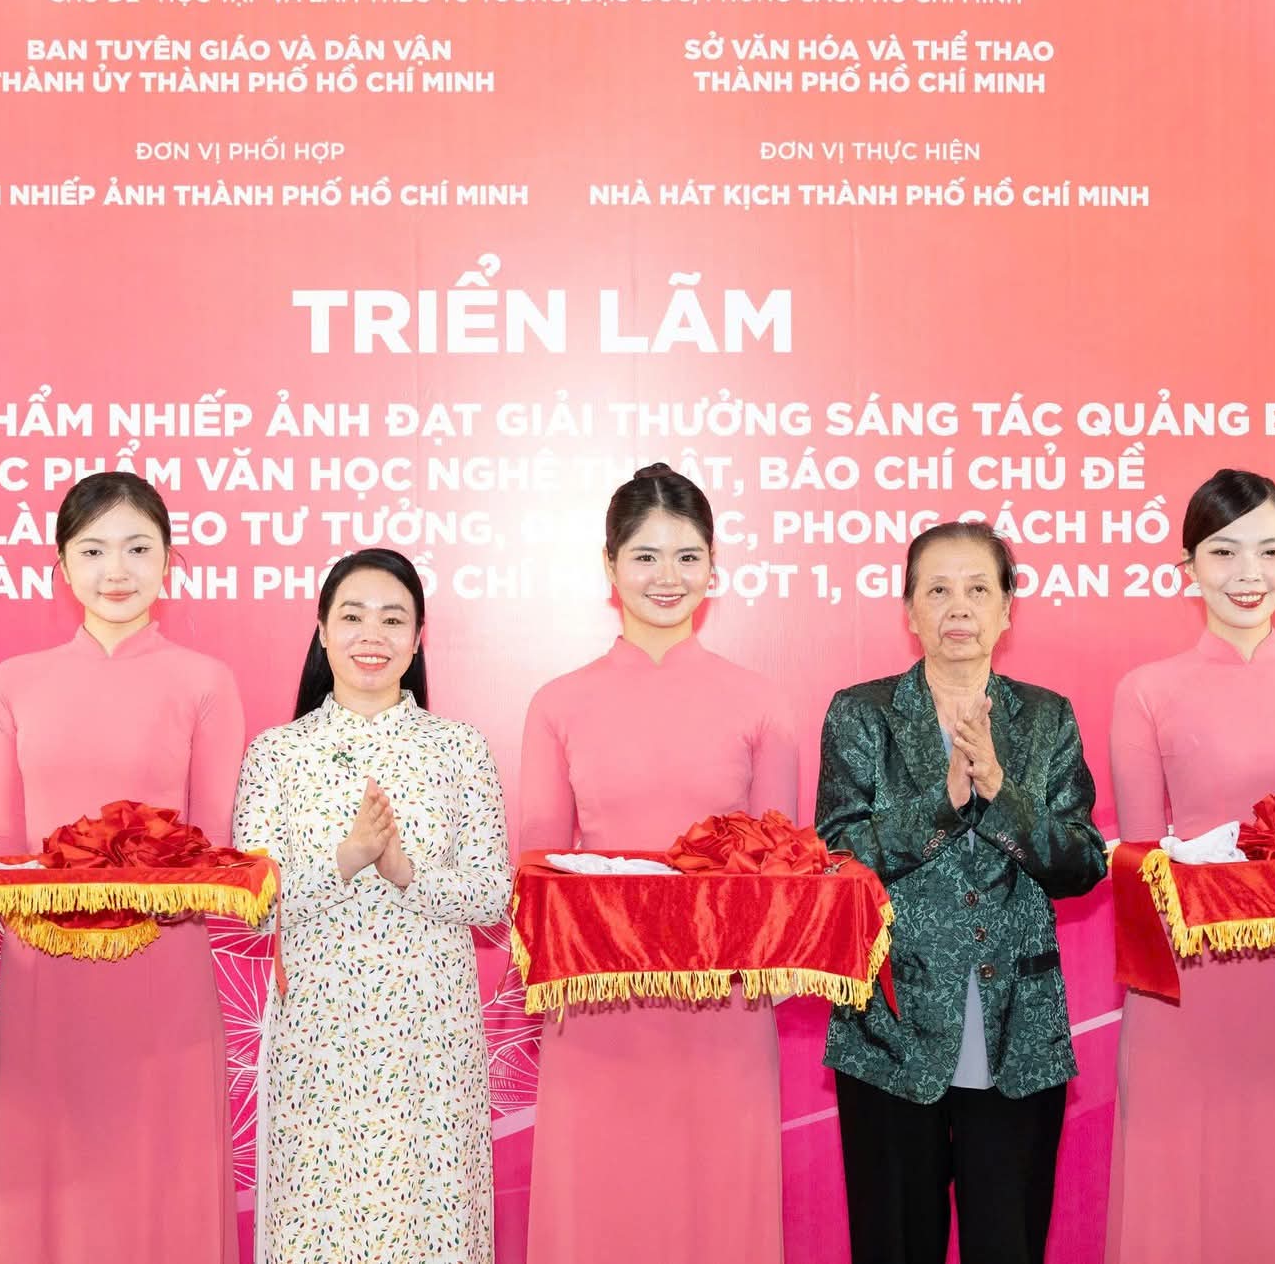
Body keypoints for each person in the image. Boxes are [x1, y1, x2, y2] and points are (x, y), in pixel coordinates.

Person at [518, 463, 800, 1264]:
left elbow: (782, 868)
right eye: (644, 556)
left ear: (713, 566)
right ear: (609, 566)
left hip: (725, 1001)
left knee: (719, 1209)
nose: (666, 577)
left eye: (686, 556)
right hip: (596, 998)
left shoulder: (762, 702)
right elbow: (537, 872)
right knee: (601, 1207)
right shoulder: (558, 703)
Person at [1104, 469, 1275, 1263]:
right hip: (1190, 978)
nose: (1248, 573)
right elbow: (1141, 861)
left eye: (1270, 550)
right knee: (1187, 1184)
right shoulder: (1146, 690)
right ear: (1187, 568)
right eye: (1223, 552)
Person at [819, 520, 1106, 1264]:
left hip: (1018, 1030)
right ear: (909, 610)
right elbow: (836, 861)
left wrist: (1001, 794)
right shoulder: (862, 713)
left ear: (1007, 609)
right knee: (893, 1243)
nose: (959, 607)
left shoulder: (1046, 717)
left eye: (979, 589)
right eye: (938, 590)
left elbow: (1082, 863)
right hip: (890, 1029)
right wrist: (943, 803)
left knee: (1007, 1244)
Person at [0, 472, 246, 1264]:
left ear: (168, 561)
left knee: (160, 1169)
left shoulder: (205, 680)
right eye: (93, 551)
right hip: (45, 963)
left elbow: (212, 845)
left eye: (137, 548)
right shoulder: (13, 681)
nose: (116, 570)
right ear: (62, 565)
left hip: (162, 959)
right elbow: (3, 840)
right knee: (54, 1169)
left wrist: (160, 892)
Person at [235, 549, 508, 1263]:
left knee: (433, 1228)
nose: (372, 636)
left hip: (432, 1042)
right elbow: (254, 905)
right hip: (318, 1041)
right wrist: (346, 861)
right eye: (352, 616)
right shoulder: (277, 754)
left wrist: (406, 874)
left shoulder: (459, 750)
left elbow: (491, 895)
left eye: (393, 619)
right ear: (322, 631)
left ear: (418, 639)